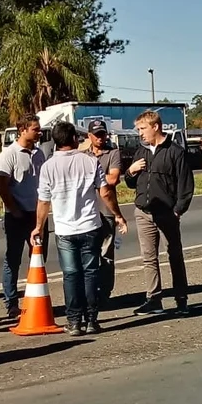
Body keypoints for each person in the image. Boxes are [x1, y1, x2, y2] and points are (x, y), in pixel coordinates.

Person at [32, 122, 127, 336]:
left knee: (71, 274)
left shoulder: (48, 166)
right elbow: (105, 192)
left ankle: (74, 321)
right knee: (91, 272)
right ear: (74, 138)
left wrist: (38, 227)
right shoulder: (90, 161)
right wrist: (118, 215)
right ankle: (92, 319)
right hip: (90, 225)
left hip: (64, 229)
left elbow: (44, 201)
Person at [124, 110, 195, 315]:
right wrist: (131, 171)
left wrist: (178, 210)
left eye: (142, 128)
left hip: (167, 213)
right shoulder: (141, 152)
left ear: (155, 127)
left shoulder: (175, 152)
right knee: (149, 257)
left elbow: (186, 185)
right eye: (138, 129)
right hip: (143, 212)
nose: (140, 133)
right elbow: (130, 183)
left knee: (174, 255)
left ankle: (181, 299)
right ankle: (154, 299)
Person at [0, 114, 46, 319]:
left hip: (36, 215)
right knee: (13, 259)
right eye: (35, 129)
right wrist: (14, 210)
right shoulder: (9, 154)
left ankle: (35, 300)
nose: (39, 132)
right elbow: (2, 186)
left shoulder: (39, 153)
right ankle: (11, 304)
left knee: (38, 258)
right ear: (23, 130)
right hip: (16, 215)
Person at [84, 119, 124, 302]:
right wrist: (100, 178)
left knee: (106, 253)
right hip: (87, 211)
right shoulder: (83, 155)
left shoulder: (113, 152)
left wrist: (91, 177)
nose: (100, 138)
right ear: (89, 136)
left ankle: (105, 292)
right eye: (97, 134)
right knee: (89, 253)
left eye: (103, 134)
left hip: (106, 210)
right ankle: (91, 291)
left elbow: (113, 179)